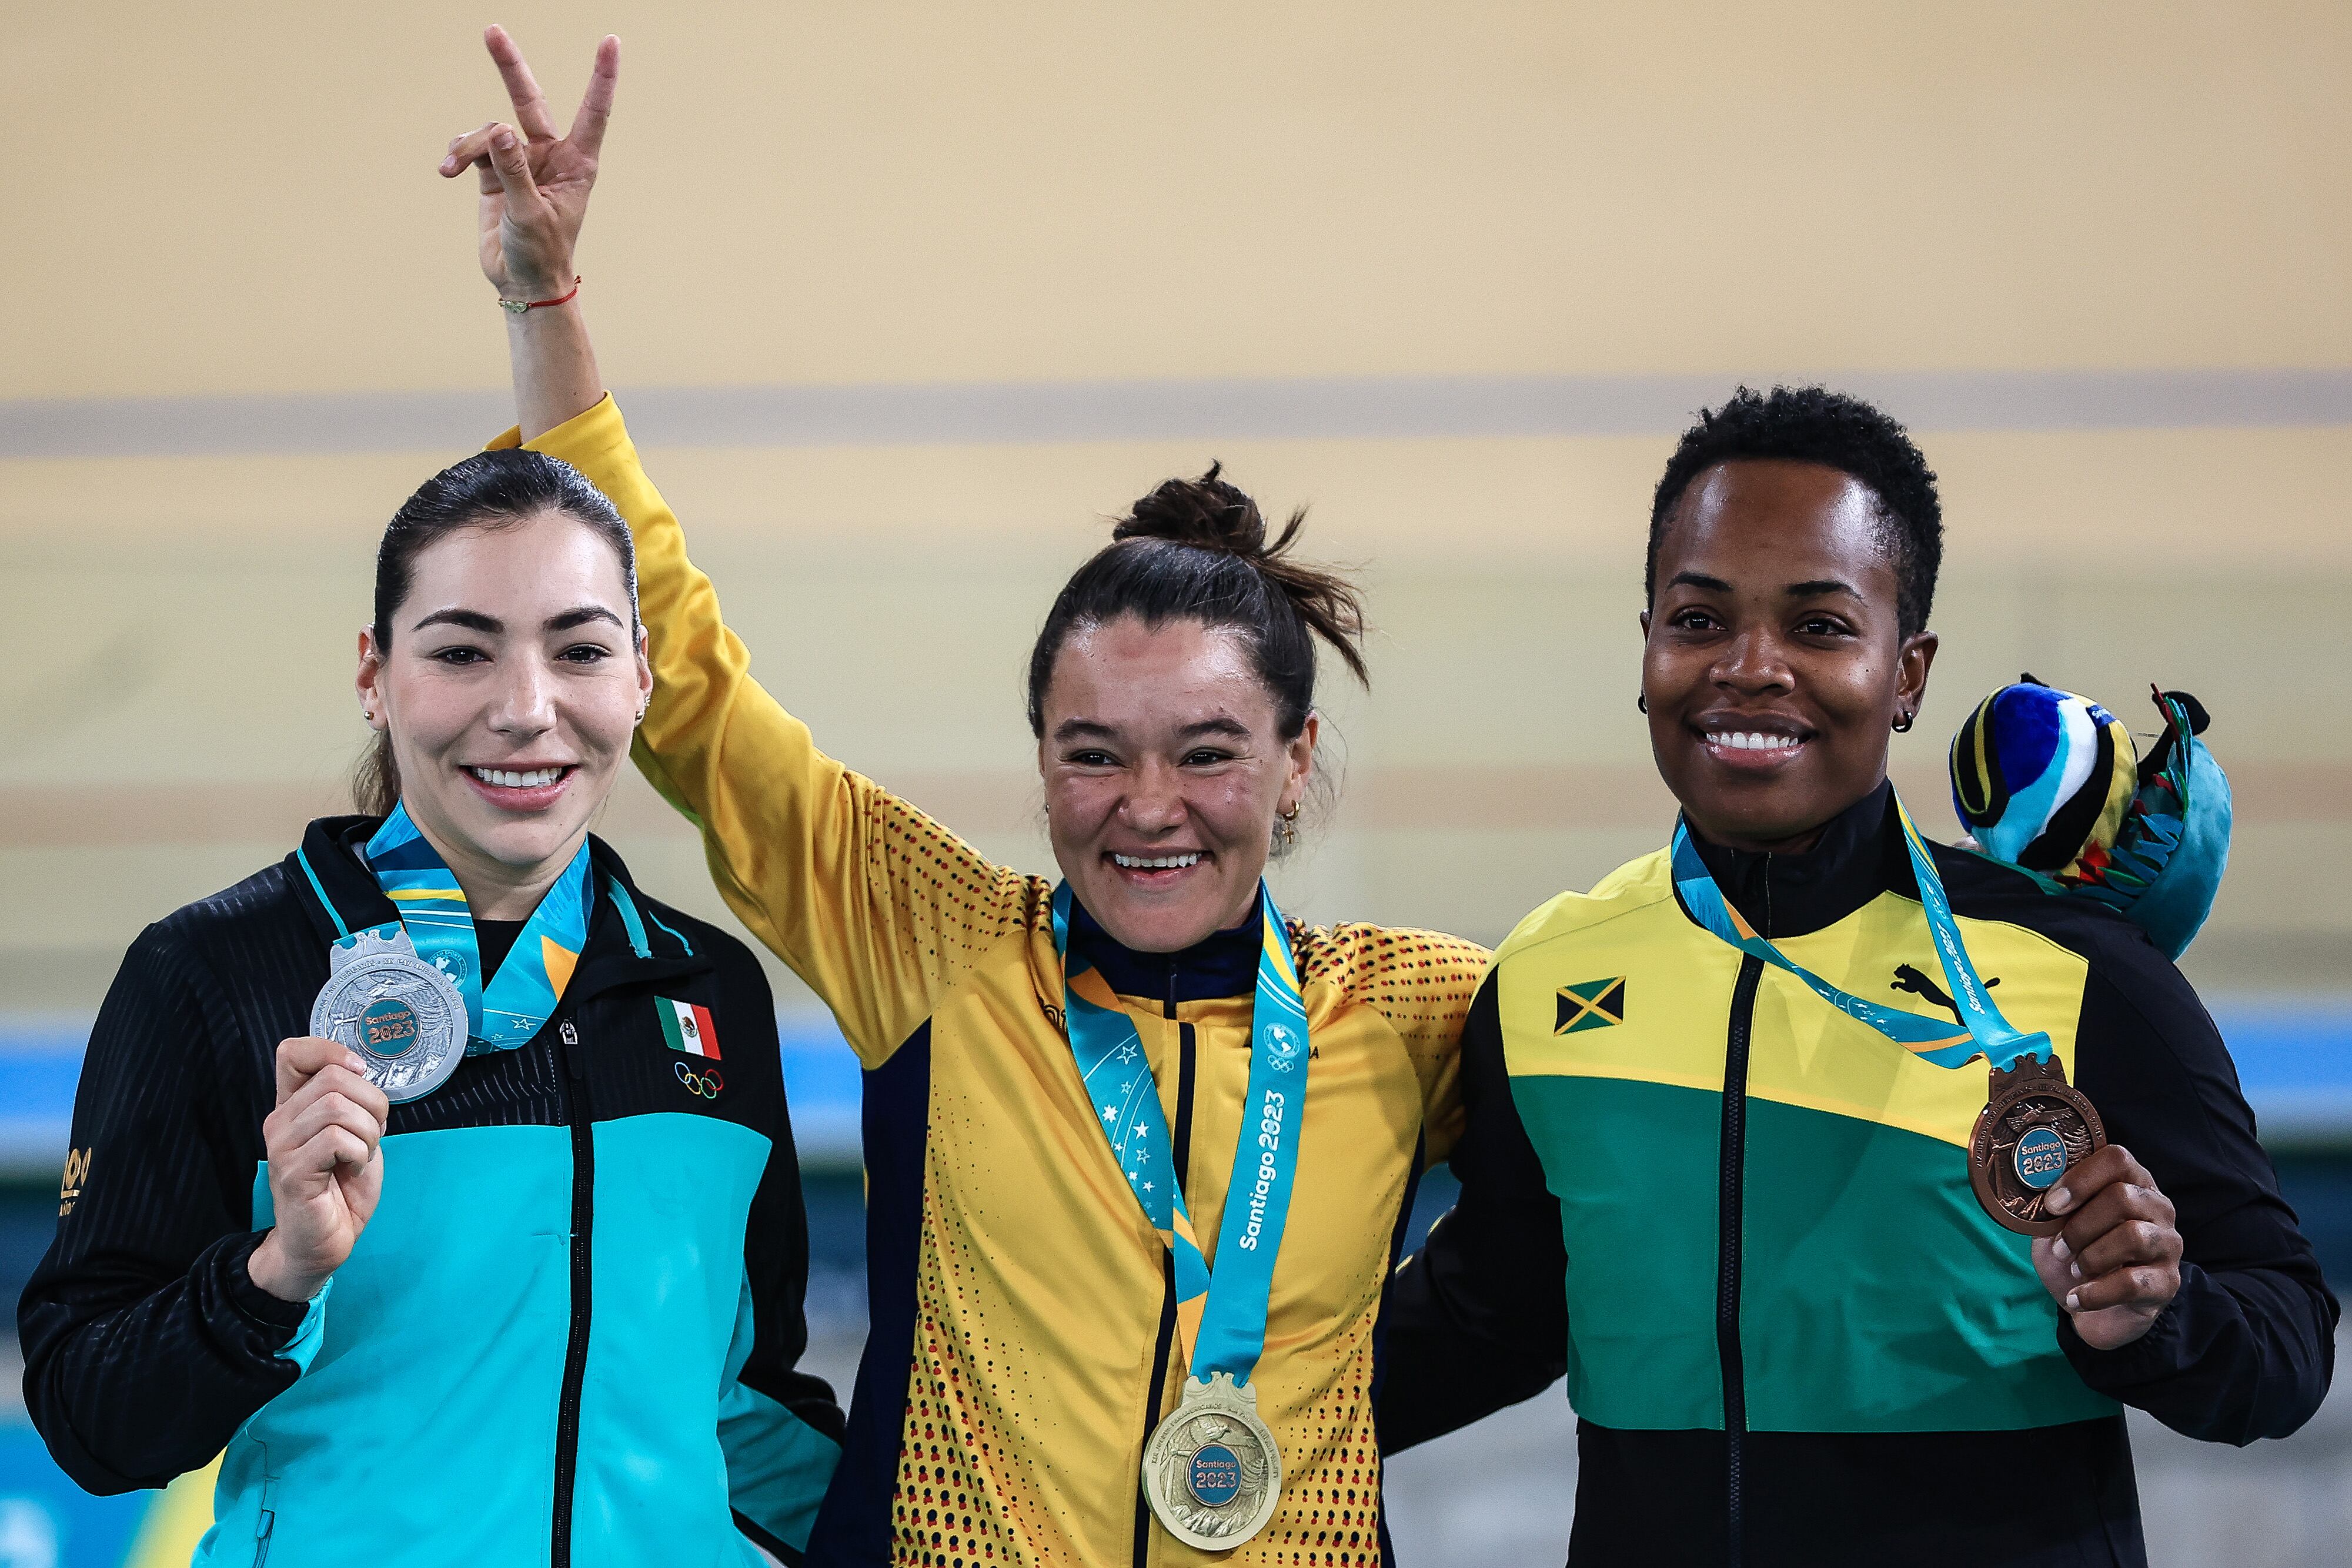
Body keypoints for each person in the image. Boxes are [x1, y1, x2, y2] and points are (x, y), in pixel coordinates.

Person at [435, 28, 1489, 1567]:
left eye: (1206, 750)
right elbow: (686, 681)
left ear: (1295, 762)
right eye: (1091, 749)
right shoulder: (938, 943)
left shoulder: (1417, 1008)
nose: (1148, 805)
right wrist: (546, 303)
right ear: (1039, 753)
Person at [1376, 386, 2338, 1566]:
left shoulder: (2079, 974)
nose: (1748, 668)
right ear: (1646, 648)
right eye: (1696, 619)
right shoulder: (1548, 973)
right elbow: (1495, 1310)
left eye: (1819, 626)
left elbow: (2283, 1345)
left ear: (1906, 672)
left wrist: (2156, 1315)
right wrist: (1189, 1426)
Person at [18, 441, 844, 1565]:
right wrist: (277, 1276)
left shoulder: (707, 990)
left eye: (581, 651)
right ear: (374, 674)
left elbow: (749, 1406)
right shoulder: (215, 973)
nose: (526, 709)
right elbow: (88, 1419)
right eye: (462, 651)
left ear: (641, 678)